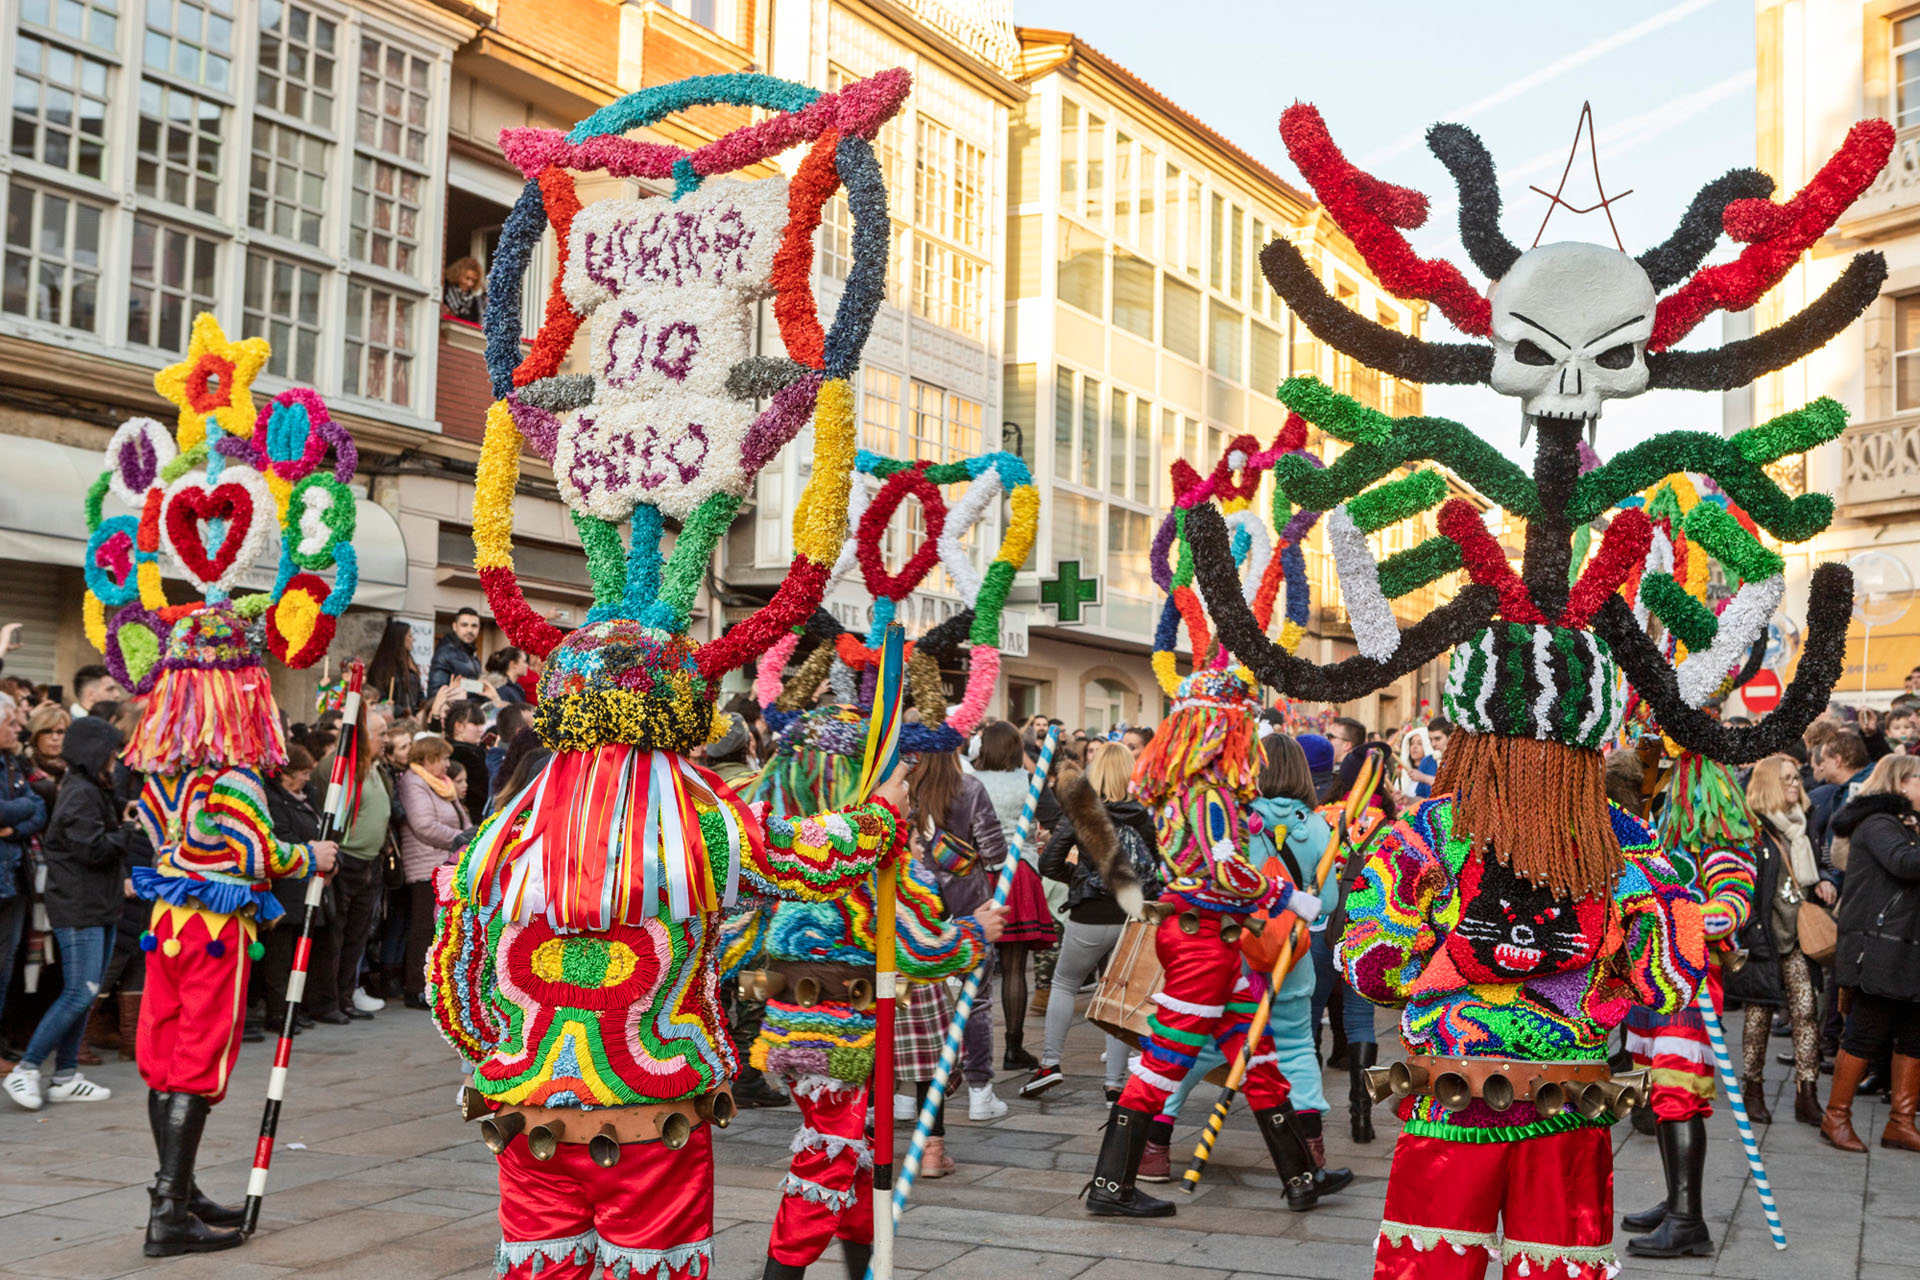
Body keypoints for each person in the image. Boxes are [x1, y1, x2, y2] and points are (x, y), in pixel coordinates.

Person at [1087, 670, 1325, 1219]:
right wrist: (1287, 896)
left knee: (1256, 1054)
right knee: (1165, 1058)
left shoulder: (1187, 791)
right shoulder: (1208, 797)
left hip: (1214, 938)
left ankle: (1300, 1177)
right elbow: (1227, 871)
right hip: (1201, 944)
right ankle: (1111, 1184)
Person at [752, 792, 1004, 1280]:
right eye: (903, 783)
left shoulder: (803, 850)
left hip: (794, 1034)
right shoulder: (879, 861)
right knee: (829, 1158)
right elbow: (920, 951)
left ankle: (866, 1268)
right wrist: (975, 932)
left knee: (857, 1157)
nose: (910, 797)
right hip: (837, 1044)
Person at [1152, 733, 1353, 1195]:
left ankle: (1154, 1144)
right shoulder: (1318, 826)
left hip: (1232, 955)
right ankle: (1309, 1153)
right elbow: (1325, 902)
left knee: (1199, 1047)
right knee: (1297, 1049)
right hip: (1290, 959)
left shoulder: (1235, 819)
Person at [1622, 753, 1757, 1258]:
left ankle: (1688, 1220)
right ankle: (1677, 1200)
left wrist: (1678, 916)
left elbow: (1732, 908)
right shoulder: (1665, 838)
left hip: (1692, 980)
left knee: (1677, 1091)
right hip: (1658, 976)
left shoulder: (1723, 842)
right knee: (1658, 1090)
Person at [2, 716, 132, 1109]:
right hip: (79, 906)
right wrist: (127, 833)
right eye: (111, 753)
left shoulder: (93, 789)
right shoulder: (79, 793)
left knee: (86, 994)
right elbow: (91, 848)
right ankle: (28, 1068)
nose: (115, 761)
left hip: (100, 903)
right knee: (79, 991)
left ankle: (65, 1075)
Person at [1026, 741, 1157, 1102]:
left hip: (1089, 914)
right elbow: (1158, 865)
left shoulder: (1083, 812)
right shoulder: (1144, 815)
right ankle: (1114, 1083)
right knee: (1118, 995)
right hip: (1131, 917)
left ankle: (1050, 1063)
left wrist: (1078, 879)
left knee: (1065, 983)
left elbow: (1048, 863)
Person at [1820, 754, 1920, 1154]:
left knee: (1914, 1036)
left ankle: (1901, 1122)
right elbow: (1905, 864)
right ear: (1900, 783)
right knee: (1865, 1032)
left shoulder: (1909, 826)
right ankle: (1836, 1116)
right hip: (1879, 949)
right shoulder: (1878, 823)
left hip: (1907, 948)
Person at [908, 749, 1011, 1121]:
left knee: (912, 996)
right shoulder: (969, 788)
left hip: (916, 904)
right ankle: (980, 1091)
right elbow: (995, 853)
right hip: (970, 904)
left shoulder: (905, 790)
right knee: (976, 1001)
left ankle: (905, 1094)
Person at [1314, 742, 1394, 1140]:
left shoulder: (1321, 818)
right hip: (1365, 933)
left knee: (1310, 1014)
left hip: (1319, 928)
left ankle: (1307, 1113)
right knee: (1361, 1020)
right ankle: (1361, 1122)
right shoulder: (1393, 828)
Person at [969, 720, 1054, 1070]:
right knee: (1015, 966)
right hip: (1019, 871)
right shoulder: (1029, 780)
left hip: (977, 875)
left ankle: (971, 1052)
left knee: (971, 963)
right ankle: (1013, 1048)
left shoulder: (970, 781)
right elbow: (1056, 817)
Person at [1744, 753, 1824, 1126]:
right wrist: (1752, 933)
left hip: (1798, 938)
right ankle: (1753, 1089)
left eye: (1797, 778)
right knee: (1758, 1014)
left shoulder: (1803, 823)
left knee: (1806, 1012)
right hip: (1765, 935)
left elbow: (1818, 869)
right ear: (1769, 784)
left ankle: (1807, 1094)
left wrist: (1826, 882)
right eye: (1787, 778)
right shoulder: (1752, 831)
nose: (1795, 783)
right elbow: (1744, 888)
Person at [315, 705, 390, 1021]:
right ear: (364, 736)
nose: (386, 739)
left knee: (357, 936)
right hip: (345, 861)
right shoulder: (344, 767)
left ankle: (345, 997)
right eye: (381, 734)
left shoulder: (376, 768)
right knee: (335, 935)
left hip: (369, 863)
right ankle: (326, 1001)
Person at [259, 747, 343, 1029]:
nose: (307, 779)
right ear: (286, 774)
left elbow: (327, 835)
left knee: (306, 954)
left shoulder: (309, 799)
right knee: (280, 958)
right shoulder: (274, 802)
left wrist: (332, 861)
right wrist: (313, 857)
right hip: (287, 891)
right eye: (303, 773)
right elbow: (282, 838)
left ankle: (300, 1007)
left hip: (312, 887)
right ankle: (279, 1012)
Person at [396, 736, 466, 1012]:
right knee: (424, 927)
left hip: (444, 862)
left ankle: (435, 984)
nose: (448, 765)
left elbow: (461, 818)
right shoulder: (414, 782)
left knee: (439, 927)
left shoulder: (442, 784)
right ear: (427, 759)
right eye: (443, 758)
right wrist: (461, 838)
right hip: (425, 865)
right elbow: (424, 825)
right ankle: (416, 986)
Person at [0, 700, 47, 1039]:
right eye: (11, 724)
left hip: (14, 877)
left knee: (6, 961)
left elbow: (39, 808)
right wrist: (23, 807)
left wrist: (13, 828)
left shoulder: (13, 762)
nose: (19, 730)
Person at [442, 702, 492, 826]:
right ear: (458, 726)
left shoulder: (474, 751)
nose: (481, 729)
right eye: (475, 724)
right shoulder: (461, 755)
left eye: (481, 724)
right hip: (473, 819)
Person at [365, 620, 425, 718]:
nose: (412, 639)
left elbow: (419, 694)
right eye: (409, 636)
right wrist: (401, 712)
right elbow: (378, 698)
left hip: (413, 719)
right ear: (400, 639)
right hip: (393, 719)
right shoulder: (382, 668)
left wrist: (423, 708)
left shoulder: (410, 665)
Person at [427, 607, 486, 701]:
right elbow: (435, 694)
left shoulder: (473, 656)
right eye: (464, 625)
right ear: (455, 626)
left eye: (474, 626)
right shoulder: (445, 653)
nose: (470, 630)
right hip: (455, 709)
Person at [443, 256, 486, 323]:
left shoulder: (474, 302)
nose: (470, 284)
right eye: (467, 278)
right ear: (458, 274)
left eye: (473, 281)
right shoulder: (445, 291)